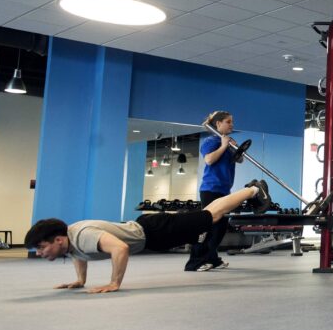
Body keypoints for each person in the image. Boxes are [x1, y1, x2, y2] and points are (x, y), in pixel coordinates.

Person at [25, 181, 271, 293]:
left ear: (58, 240)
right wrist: (80, 280)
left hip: (155, 231)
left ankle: (252, 189)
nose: (40, 252)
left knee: (212, 215)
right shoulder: (70, 238)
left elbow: (120, 248)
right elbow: (78, 254)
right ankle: (249, 189)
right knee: (209, 215)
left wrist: (114, 283)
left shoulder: (82, 236)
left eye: (41, 247)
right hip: (152, 232)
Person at [184, 111, 238, 272]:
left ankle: (212, 258)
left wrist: (235, 149)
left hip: (224, 190)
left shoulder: (228, 142)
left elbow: (240, 160)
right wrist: (223, 145)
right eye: (228, 122)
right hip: (211, 189)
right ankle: (194, 262)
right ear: (218, 124)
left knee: (220, 227)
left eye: (232, 122)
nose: (232, 125)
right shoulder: (211, 141)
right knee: (208, 227)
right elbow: (209, 160)